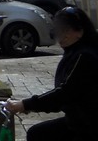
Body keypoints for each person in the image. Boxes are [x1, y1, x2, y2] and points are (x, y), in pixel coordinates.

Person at [6, 7, 98, 140]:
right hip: (78, 121)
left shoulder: (84, 56)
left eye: (66, 31)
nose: (62, 36)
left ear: (80, 32)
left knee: (39, 134)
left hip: (88, 126)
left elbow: (65, 93)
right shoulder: (75, 52)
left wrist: (25, 104)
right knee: (37, 133)